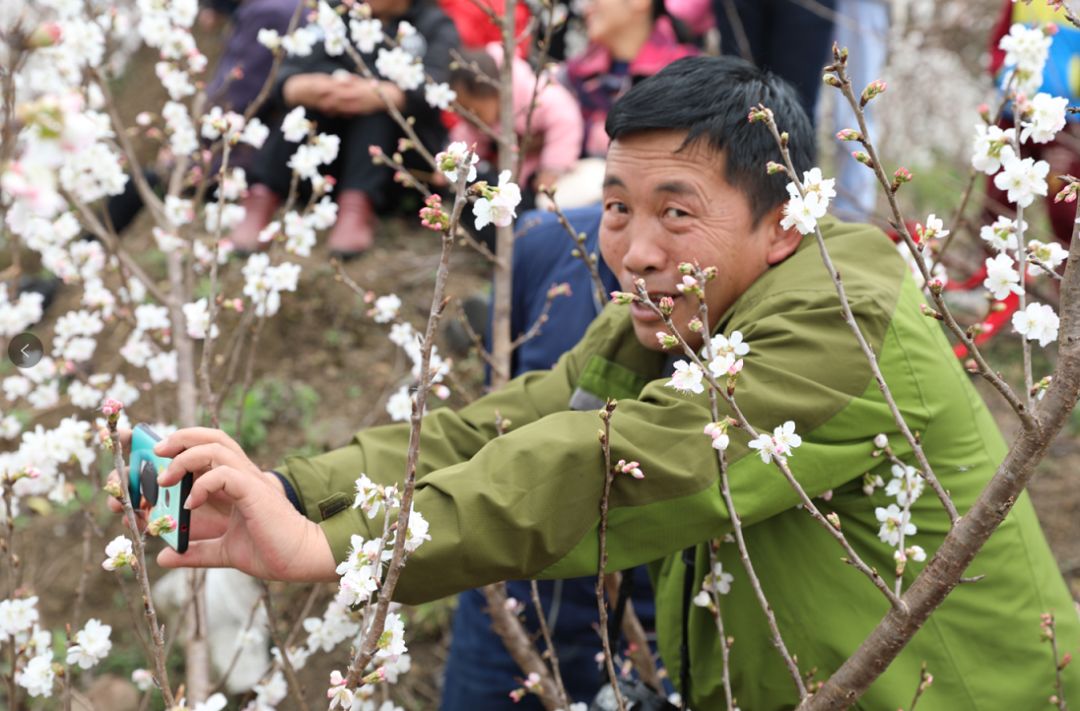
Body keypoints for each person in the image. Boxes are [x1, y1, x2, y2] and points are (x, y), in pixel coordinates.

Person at [115, 56, 1080, 709]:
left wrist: (338, 546)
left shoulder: (843, 323)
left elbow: (623, 461)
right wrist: (292, 491)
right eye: (617, 207)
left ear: (785, 221)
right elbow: (513, 425)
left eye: (677, 211)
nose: (636, 249)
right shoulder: (684, 313)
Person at [228, 0, 460, 259]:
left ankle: (357, 205)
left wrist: (386, 94)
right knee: (303, 113)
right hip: (325, 150)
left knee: (377, 110)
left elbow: (436, 89)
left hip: (393, 163)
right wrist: (305, 86)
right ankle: (262, 196)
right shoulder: (334, 13)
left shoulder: (435, 25)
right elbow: (288, 71)